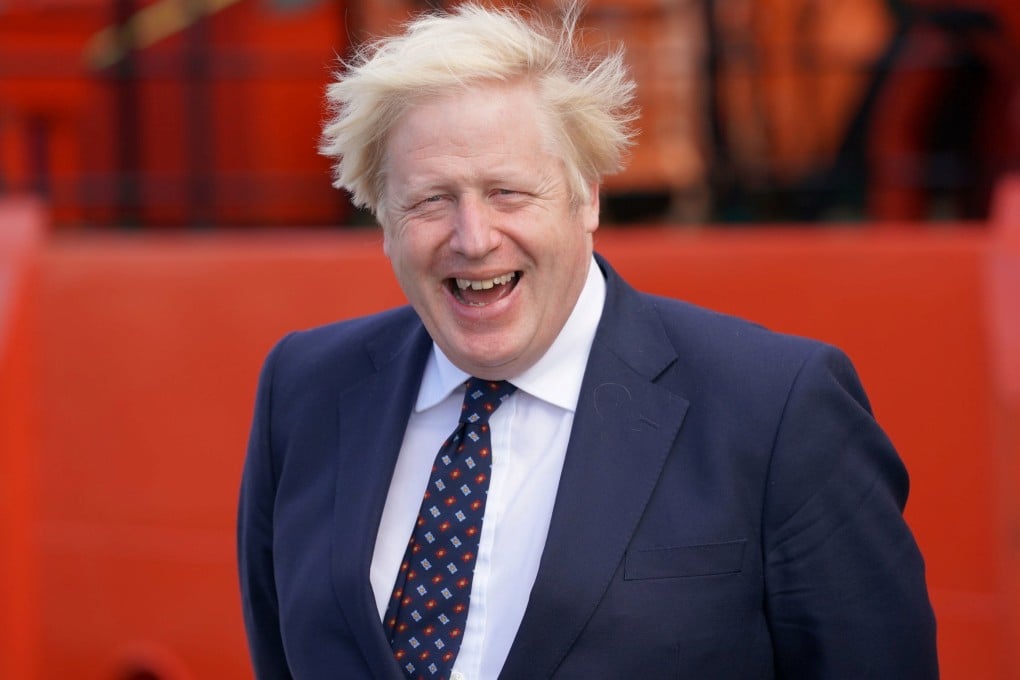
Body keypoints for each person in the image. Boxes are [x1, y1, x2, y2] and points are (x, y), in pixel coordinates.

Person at [237, 3, 938, 678]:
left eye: (509, 193)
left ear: (588, 196)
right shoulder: (303, 390)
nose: (474, 238)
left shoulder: (778, 409)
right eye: (430, 200)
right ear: (382, 219)